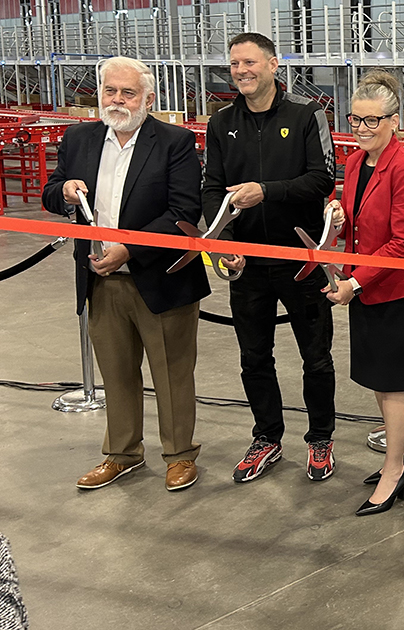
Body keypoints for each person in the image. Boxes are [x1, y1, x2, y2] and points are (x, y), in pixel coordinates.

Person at [43, 56, 209, 492]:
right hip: (99, 278)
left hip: (160, 278)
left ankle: (178, 455)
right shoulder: (78, 137)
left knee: (172, 374)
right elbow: (50, 191)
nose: (117, 100)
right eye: (110, 91)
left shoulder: (174, 142)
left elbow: (184, 211)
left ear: (148, 99)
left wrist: (129, 248)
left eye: (128, 92)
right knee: (115, 373)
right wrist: (62, 190)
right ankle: (122, 454)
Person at [202, 33, 338, 483]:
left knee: (315, 358)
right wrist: (226, 244)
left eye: (250, 62)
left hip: (301, 260)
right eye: (234, 63)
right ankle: (267, 437)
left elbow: (322, 179)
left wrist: (268, 192)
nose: (241, 71)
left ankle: (320, 438)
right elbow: (210, 190)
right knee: (253, 357)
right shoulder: (221, 123)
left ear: (274, 65)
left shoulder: (306, 114)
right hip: (248, 265)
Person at [321, 72, 404, 516]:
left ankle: (393, 469)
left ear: (394, 121)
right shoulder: (354, 163)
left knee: (393, 385)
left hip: (393, 292)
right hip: (365, 286)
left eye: (374, 121)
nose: (364, 129)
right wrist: (336, 215)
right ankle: (401, 451)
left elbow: (403, 240)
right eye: (357, 120)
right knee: (377, 381)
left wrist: (355, 281)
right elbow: (356, 224)